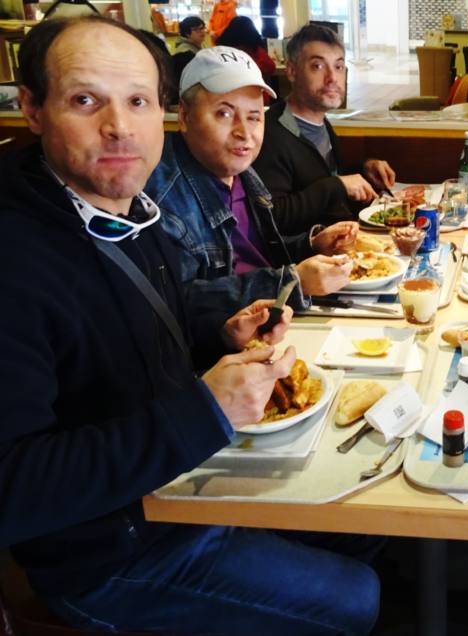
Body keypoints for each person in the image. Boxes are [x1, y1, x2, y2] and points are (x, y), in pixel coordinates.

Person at [0, 16, 379, 635]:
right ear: (33, 109)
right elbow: (13, 487)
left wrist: (220, 332)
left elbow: (153, 323)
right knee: (358, 597)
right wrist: (203, 412)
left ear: (160, 111)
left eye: (138, 101)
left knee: (365, 519)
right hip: (112, 552)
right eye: (86, 100)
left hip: (184, 476)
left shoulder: (129, 207)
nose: (120, 126)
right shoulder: (17, 256)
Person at [146, 45, 359, 318]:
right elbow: (179, 305)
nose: (244, 133)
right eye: (224, 114)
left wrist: (312, 244)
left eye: (254, 117)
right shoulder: (160, 199)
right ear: (185, 117)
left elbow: (258, 256)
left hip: (278, 319)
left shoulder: (242, 173)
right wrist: (291, 283)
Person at [253, 24, 396, 234]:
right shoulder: (269, 134)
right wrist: (338, 186)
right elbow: (272, 217)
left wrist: (364, 170)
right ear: (292, 71)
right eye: (318, 66)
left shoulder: (321, 123)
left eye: (338, 67)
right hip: (310, 251)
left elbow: (321, 178)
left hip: (344, 239)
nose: (332, 78)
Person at [216, 15, 276, 91]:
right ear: (252, 31)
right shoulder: (254, 49)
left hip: (227, 91)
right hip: (253, 91)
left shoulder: (222, 50)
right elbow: (270, 67)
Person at [172, 15, 207, 84]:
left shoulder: (198, 44)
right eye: (196, 29)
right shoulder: (184, 53)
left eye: (202, 28)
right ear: (187, 33)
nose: (202, 31)